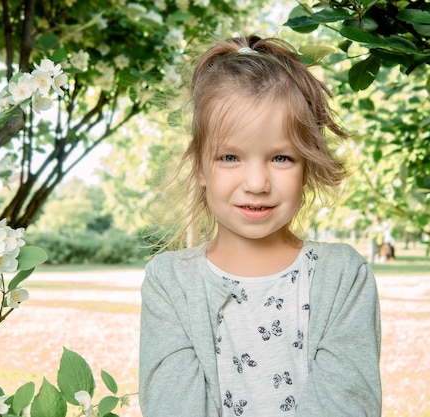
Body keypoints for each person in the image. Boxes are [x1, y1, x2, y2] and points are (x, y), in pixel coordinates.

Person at [139, 35, 381, 417]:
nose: (256, 182)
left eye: (281, 158)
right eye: (230, 156)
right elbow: (174, 405)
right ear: (200, 166)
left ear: (308, 166)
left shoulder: (343, 277)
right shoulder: (170, 283)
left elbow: (346, 401)